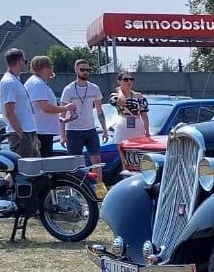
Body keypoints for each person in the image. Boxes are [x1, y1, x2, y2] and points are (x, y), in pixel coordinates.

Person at [60, 59, 108, 197]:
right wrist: (62, 134)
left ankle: (100, 192)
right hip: (73, 130)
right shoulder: (68, 89)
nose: (85, 72)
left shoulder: (94, 88)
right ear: (76, 70)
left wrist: (104, 129)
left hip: (90, 129)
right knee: (75, 163)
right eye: (82, 69)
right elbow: (62, 113)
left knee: (97, 161)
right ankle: (75, 193)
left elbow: (99, 110)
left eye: (88, 70)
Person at [25, 55, 72, 157]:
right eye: (51, 66)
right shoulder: (37, 84)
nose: (52, 69)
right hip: (40, 131)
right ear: (44, 68)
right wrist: (66, 108)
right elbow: (45, 107)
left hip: (43, 130)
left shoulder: (40, 83)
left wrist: (61, 119)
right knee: (43, 163)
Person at [0, 49, 38, 157]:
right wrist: (21, 135)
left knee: (35, 168)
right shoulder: (9, 82)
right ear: (19, 61)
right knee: (24, 169)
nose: (25, 64)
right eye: (25, 61)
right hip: (21, 132)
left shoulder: (16, 80)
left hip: (28, 130)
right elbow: (9, 112)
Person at [108, 72, 151, 145]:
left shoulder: (139, 96)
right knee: (122, 151)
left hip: (137, 126)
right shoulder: (114, 96)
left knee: (137, 151)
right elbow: (121, 102)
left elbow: (144, 115)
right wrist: (120, 91)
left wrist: (147, 131)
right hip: (122, 126)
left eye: (131, 79)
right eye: (126, 79)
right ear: (119, 82)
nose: (129, 82)